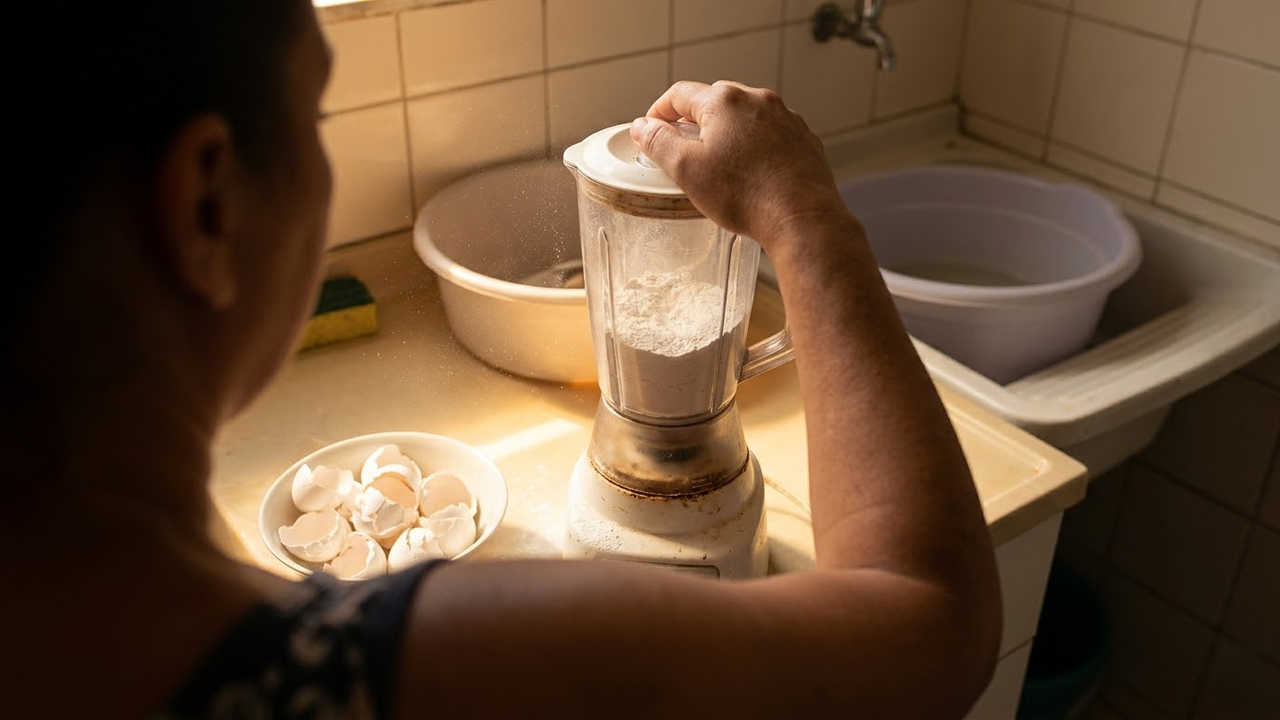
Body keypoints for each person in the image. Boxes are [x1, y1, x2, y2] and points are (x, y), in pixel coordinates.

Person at [1, 1, 1001, 717]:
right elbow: (929, 628)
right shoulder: (410, 667)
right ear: (206, 207)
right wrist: (805, 214)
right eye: (315, 123)